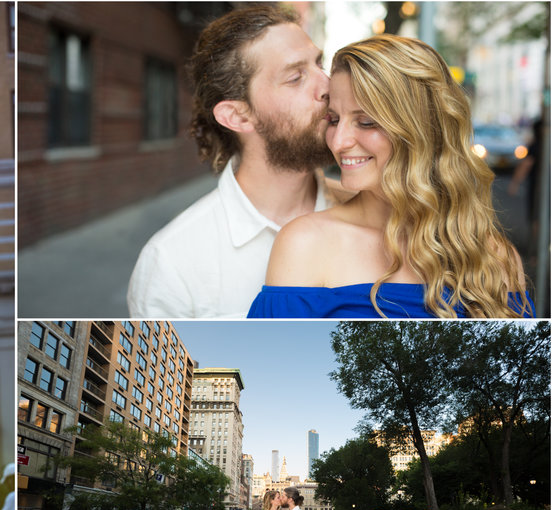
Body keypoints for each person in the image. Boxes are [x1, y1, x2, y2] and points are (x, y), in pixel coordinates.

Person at [249, 34, 532, 319]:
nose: (338, 142)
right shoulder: (305, 244)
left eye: (366, 122)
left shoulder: (493, 254)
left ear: (420, 130)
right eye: (334, 120)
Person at [127, 5, 347, 318]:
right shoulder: (172, 264)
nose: (327, 85)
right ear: (238, 116)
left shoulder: (378, 215)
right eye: (296, 77)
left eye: (319, 64)